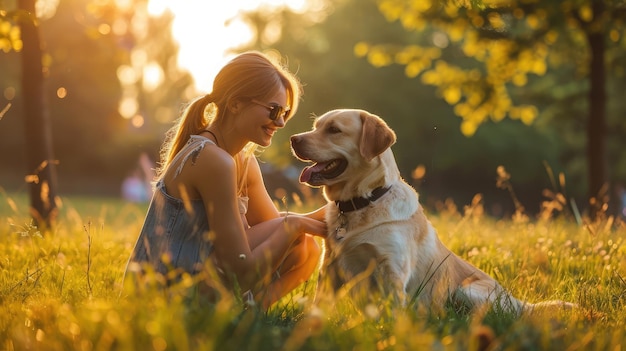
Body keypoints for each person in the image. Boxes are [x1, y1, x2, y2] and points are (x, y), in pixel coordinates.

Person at [123, 51, 327, 309]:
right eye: (274, 110)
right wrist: (293, 225)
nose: (282, 122)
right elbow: (239, 272)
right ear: (235, 104)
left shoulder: (243, 161)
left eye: (285, 112)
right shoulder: (211, 159)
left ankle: (252, 314)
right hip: (162, 296)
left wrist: (336, 211)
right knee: (294, 230)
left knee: (305, 247)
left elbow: (274, 231)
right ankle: (240, 315)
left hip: (198, 277)